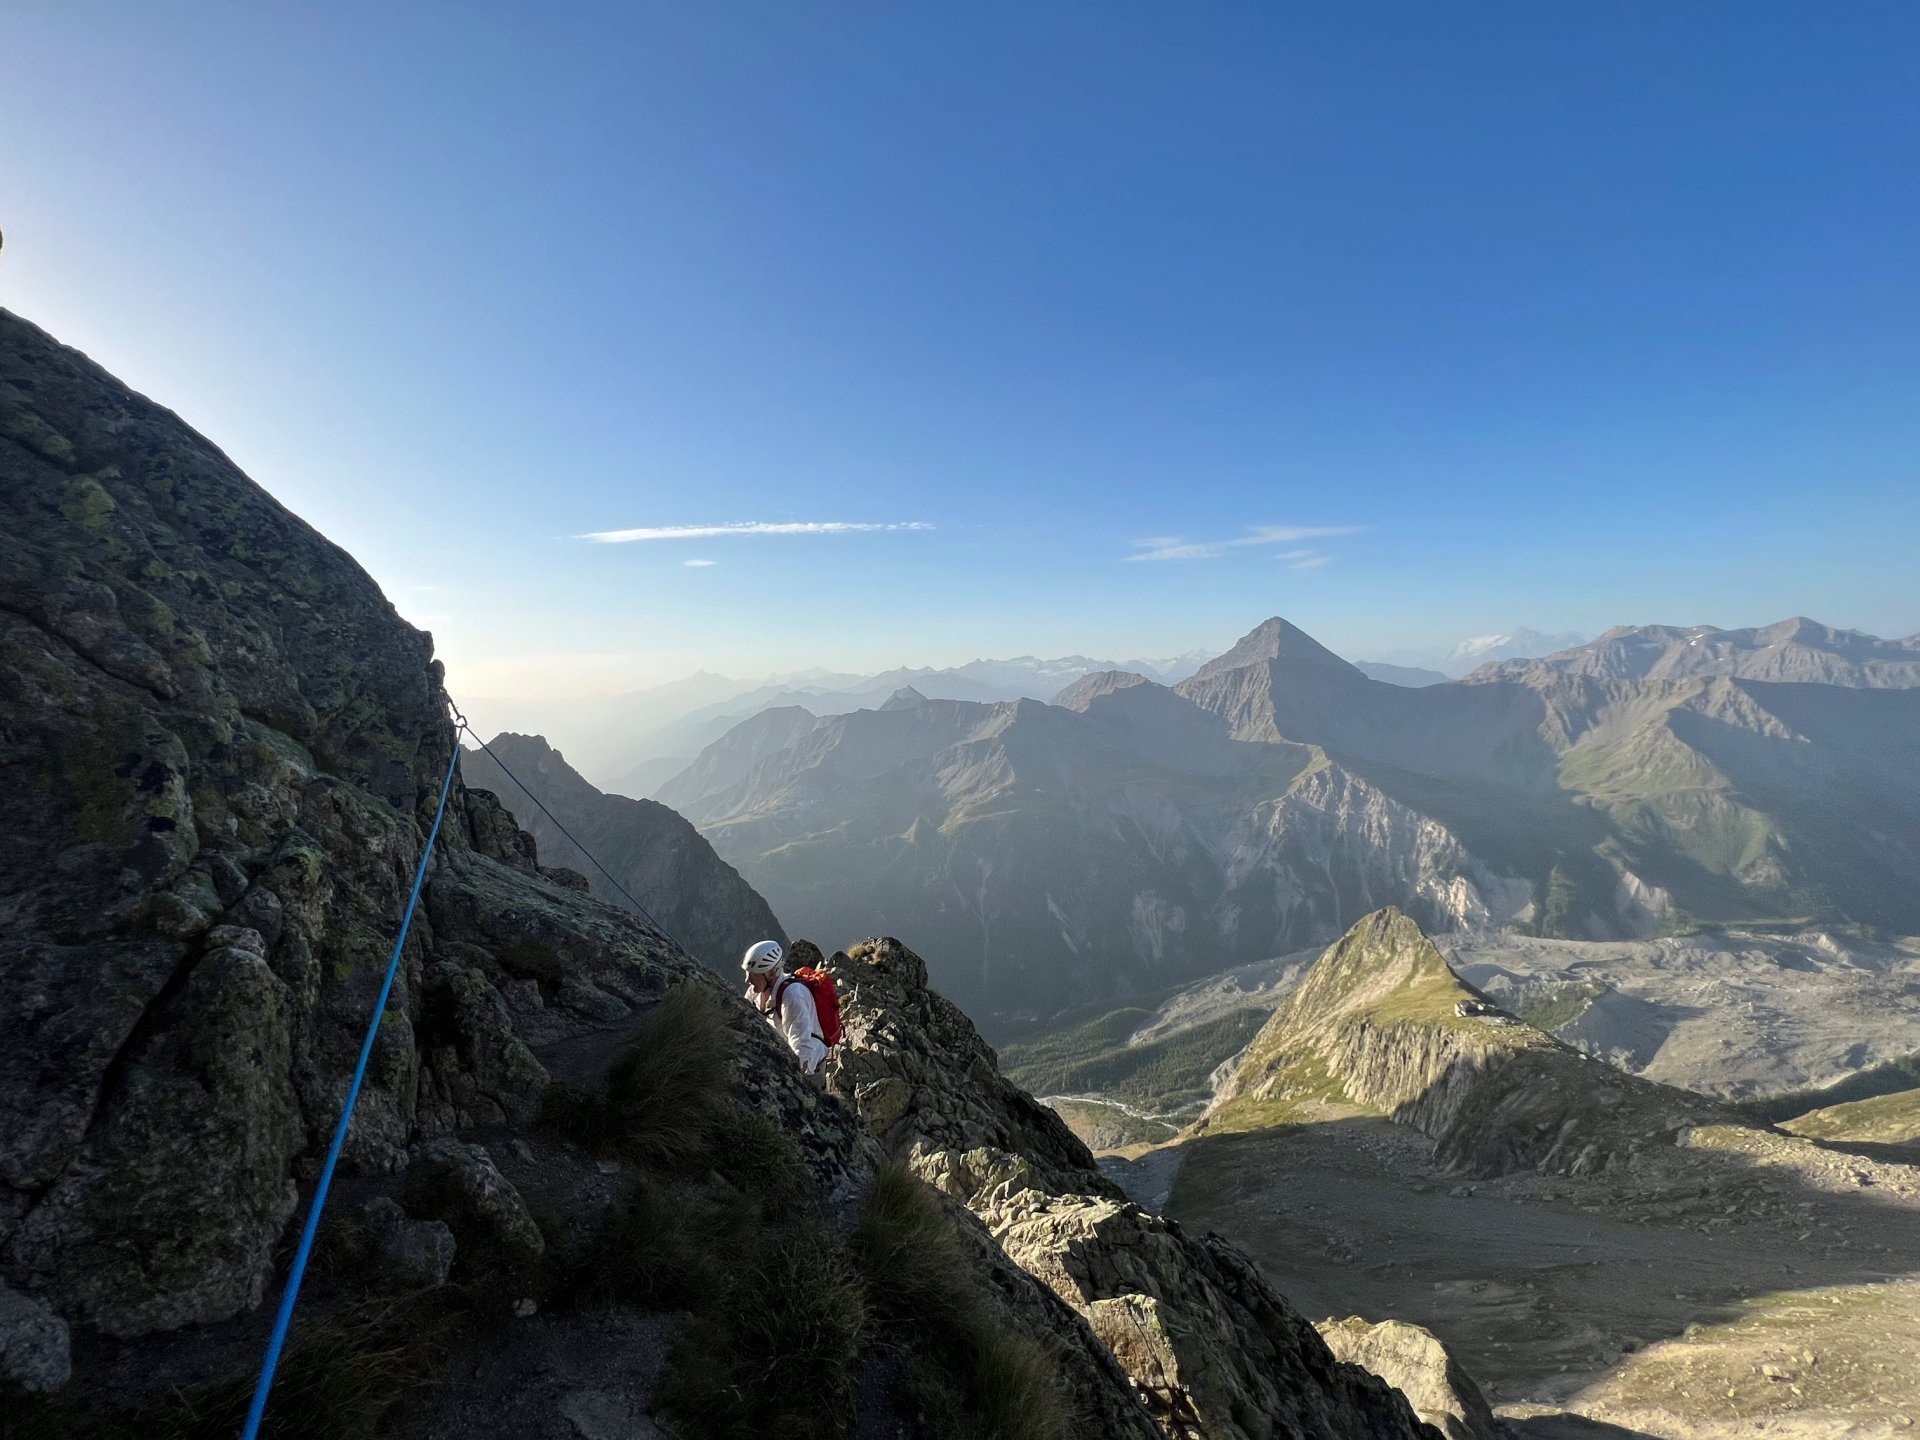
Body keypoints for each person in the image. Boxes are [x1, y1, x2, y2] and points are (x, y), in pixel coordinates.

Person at [741, 940, 828, 1075]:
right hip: (780, 1054)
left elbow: (801, 1046)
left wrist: (797, 1082)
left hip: (811, 1066)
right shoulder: (754, 993)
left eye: (753, 974)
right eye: (747, 973)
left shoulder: (793, 996)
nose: (747, 980)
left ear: (771, 973)